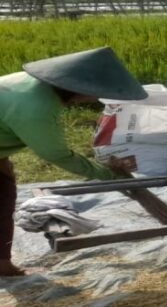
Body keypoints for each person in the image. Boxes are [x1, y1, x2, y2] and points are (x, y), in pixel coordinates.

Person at [0, 47, 146, 276]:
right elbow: (56, 154)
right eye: (94, 92)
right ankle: (3, 267)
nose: (95, 97)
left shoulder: (31, 85)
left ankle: (2, 264)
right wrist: (108, 173)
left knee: (4, 191)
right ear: (76, 88)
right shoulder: (36, 107)